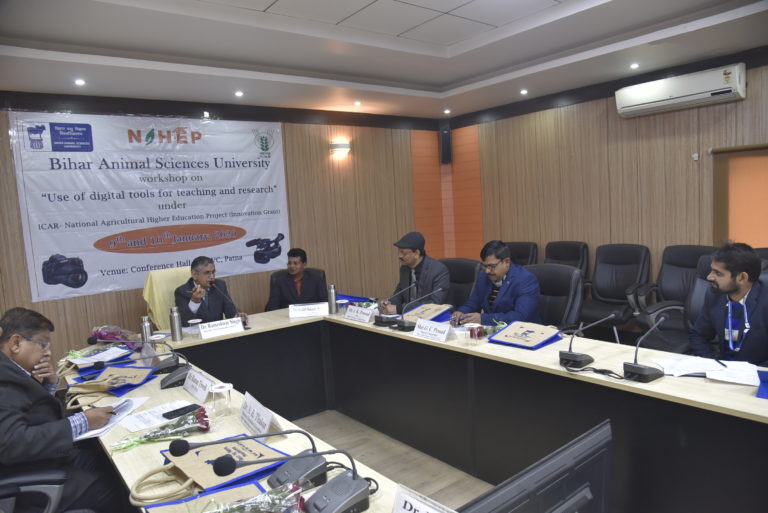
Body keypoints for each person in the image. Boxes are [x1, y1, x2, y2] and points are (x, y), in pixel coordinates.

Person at [0, 307, 128, 513]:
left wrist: (49, 385)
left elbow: (31, 413)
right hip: (28, 479)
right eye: (43, 344)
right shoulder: (3, 380)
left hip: (45, 459)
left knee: (109, 461)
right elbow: (13, 444)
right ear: (15, 343)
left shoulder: (10, 369)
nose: (48, 352)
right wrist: (82, 422)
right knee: (114, 490)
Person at [690, 242, 768, 366]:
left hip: (756, 372)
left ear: (742, 278)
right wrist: (713, 365)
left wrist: (754, 373)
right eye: (711, 270)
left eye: (718, 273)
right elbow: (699, 336)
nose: (709, 277)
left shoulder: (765, 301)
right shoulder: (714, 295)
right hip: (722, 370)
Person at [451, 240, 541, 326]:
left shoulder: (526, 280)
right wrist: (461, 312)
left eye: (492, 266)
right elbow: (473, 302)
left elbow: (520, 316)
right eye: (485, 266)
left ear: (506, 262)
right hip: (493, 330)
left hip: (523, 332)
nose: (487, 271)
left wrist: (483, 319)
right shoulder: (483, 276)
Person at [379, 231, 449, 314]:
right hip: (408, 317)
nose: (399, 256)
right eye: (399, 252)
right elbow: (400, 292)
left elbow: (435, 303)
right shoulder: (405, 268)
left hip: (432, 317)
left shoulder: (438, 270)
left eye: (403, 253)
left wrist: (400, 309)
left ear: (416, 253)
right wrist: (389, 302)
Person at [174, 256, 247, 326]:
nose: (212, 277)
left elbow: (231, 311)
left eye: (213, 272)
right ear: (194, 274)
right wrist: (194, 302)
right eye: (207, 273)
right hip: (197, 334)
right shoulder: (182, 292)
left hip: (219, 331)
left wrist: (237, 315)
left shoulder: (219, 286)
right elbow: (184, 322)